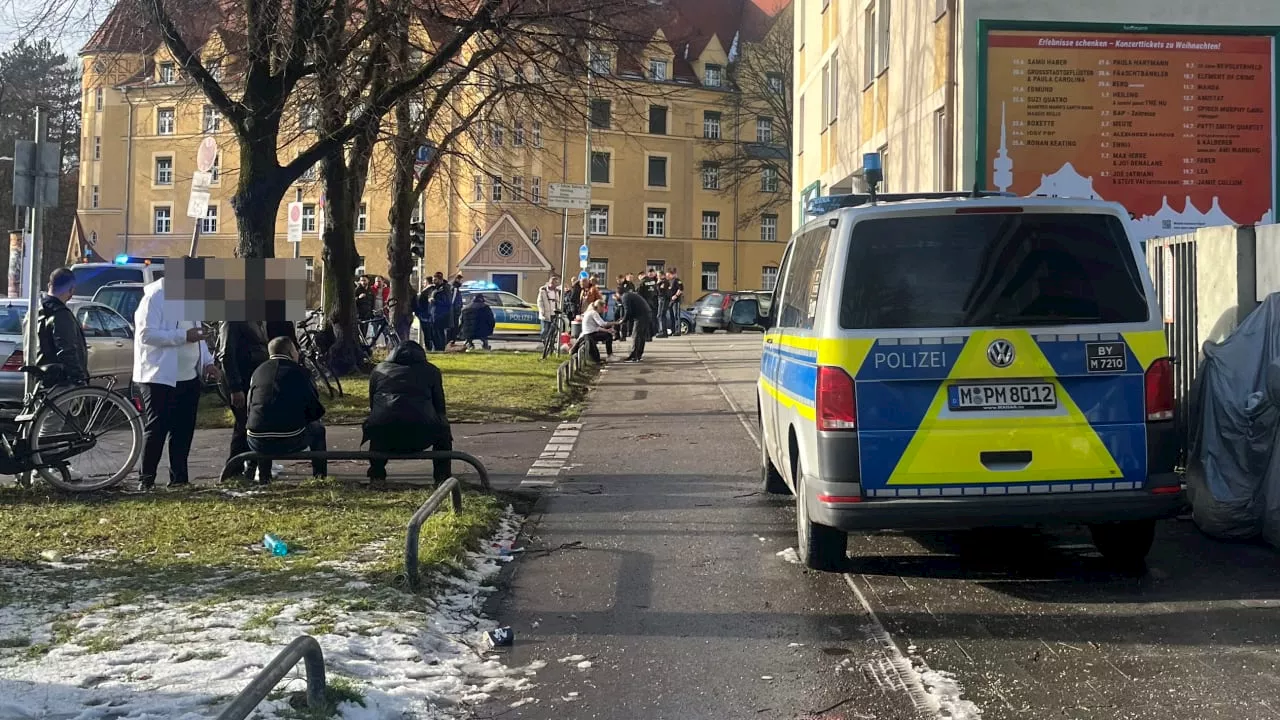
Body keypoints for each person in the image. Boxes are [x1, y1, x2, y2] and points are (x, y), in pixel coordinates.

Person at [134, 278, 217, 489]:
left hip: (188, 376)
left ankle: (179, 479)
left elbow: (197, 336)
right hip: (159, 376)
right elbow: (146, 334)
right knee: (157, 428)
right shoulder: (154, 298)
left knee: (183, 430)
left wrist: (207, 362)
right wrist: (182, 336)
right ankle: (146, 480)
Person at [363, 340, 452, 486]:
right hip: (422, 434)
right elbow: (440, 407)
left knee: (378, 422)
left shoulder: (379, 370)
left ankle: (377, 474)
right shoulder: (431, 371)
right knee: (443, 431)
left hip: (385, 435)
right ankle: (442, 477)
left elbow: (374, 405)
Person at [245, 336, 327, 483]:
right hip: (290, 439)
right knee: (318, 429)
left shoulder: (257, 372)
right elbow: (314, 410)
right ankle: (319, 476)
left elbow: (250, 406)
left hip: (256, 439)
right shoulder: (301, 372)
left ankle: (264, 476)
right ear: (291, 352)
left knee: (264, 423)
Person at [217, 321, 270, 480]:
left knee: (251, 423)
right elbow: (226, 354)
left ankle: (249, 466)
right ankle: (234, 469)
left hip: (253, 377)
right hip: (241, 380)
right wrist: (235, 387)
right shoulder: (233, 319)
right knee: (243, 424)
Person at [34, 268, 88, 383]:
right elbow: (67, 350)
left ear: (49, 285)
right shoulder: (61, 314)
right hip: (59, 383)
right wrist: (79, 378)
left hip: (38, 377)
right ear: (71, 290)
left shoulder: (35, 311)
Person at [619, 289, 654, 362]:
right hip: (646, 314)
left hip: (641, 316)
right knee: (641, 336)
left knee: (636, 335)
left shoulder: (625, 297)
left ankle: (634, 356)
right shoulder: (630, 295)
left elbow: (628, 311)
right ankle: (638, 355)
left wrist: (623, 320)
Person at [580, 298, 614, 363]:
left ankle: (610, 355)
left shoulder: (591, 312)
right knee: (608, 336)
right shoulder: (594, 313)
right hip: (589, 334)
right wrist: (615, 323)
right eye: (603, 307)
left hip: (589, 333)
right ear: (599, 307)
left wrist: (607, 331)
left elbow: (597, 327)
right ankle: (609, 355)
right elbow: (602, 324)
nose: (604, 310)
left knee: (608, 335)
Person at [537, 274, 562, 343]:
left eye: (557, 284)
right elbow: (540, 303)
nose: (556, 285)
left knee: (553, 330)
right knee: (545, 329)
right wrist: (542, 312)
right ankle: (544, 341)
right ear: (551, 283)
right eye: (555, 284)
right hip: (546, 313)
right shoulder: (543, 291)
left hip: (554, 313)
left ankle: (551, 342)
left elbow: (558, 301)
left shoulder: (556, 291)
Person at [430, 276, 453, 351]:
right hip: (435, 314)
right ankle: (437, 348)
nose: (433, 281)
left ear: (440, 280)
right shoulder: (436, 289)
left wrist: (435, 301)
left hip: (441, 315)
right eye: (433, 280)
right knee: (435, 333)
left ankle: (441, 348)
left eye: (435, 280)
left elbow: (447, 303)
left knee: (440, 333)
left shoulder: (444, 289)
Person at [638, 269, 660, 340]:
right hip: (653, 303)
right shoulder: (653, 282)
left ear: (641, 276)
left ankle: (647, 336)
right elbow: (657, 291)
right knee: (652, 319)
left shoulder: (642, 282)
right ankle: (651, 335)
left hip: (645, 303)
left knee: (645, 320)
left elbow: (639, 294)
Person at [665, 268, 684, 337]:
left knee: (676, 316)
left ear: (672, 274)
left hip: (676, 301)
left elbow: (681, 289)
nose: (667, 276)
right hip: (670, 301)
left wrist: (675, 295)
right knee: (671, 316)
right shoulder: (670, 281)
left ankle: (677, 331)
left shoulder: (677, 281)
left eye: (668, 275)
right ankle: (673, 330)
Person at [656, 271, 672, 337]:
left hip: (664, 299)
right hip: (661, 299)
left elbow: (660, 291)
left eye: (658, 275)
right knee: (660, 315)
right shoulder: (662, 282)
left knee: (661, 315)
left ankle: (663, 332)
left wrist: (657, 284)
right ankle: (662, 331)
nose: (657, 276)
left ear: (662, 275)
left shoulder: (664, 282)